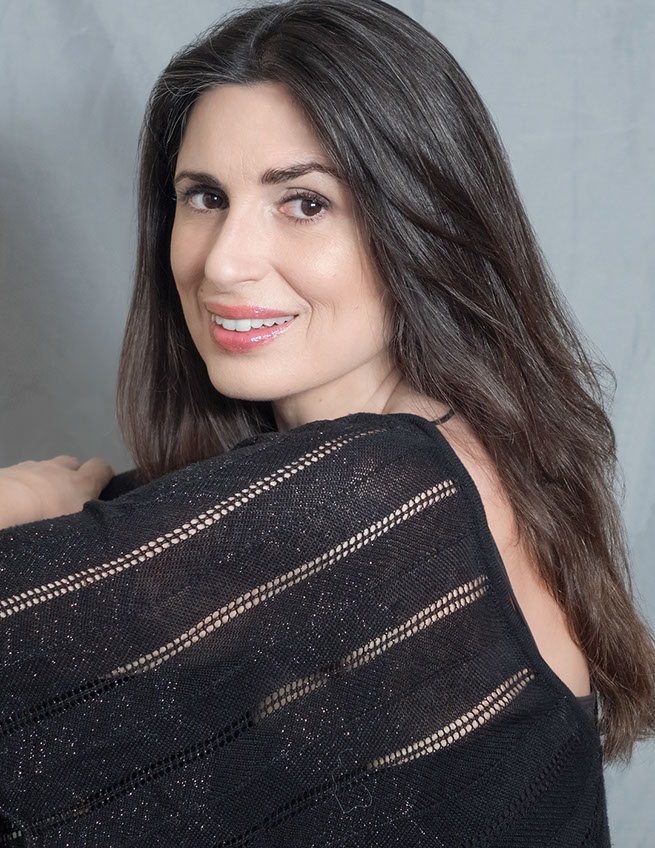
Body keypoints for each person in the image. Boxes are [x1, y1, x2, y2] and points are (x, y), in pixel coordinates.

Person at [1, 0, 653, 844]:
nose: (224, 261)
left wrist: (19, 504)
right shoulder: (446, 465)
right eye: (205, 197)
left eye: (304, 203)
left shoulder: (383, 493)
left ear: (424, 221)